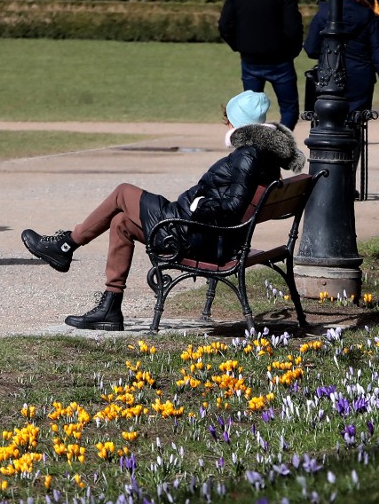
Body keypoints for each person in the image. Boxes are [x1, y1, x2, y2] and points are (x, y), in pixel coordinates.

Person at [21, 90, 306, 332]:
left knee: (123, 192)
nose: (225, 125)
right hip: (202, 232)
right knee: (121, 221)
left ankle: (65, 244)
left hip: (192, 233)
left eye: (227, 119)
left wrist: (199, 205)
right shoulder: (261, 154)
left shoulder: (248, 154)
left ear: (238, 123)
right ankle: (110, 306)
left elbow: (231, 208)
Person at [218, 0, 303, 130]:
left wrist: (239, 46)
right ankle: (280, 144)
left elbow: (225, 24)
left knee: (249, 110)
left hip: (250, 59)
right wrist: (292, 51)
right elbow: (292, 27)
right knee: (289, 108)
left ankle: (252, 148)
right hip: (280, 60)